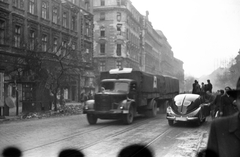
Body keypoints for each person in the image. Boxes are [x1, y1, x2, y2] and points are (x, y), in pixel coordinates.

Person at [207, 77, 240, 157]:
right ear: (238, 100)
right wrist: (221, 110)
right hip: (225, 110)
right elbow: (220, 104)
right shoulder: (219, 126)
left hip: (231, 110)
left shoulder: (230, 99)